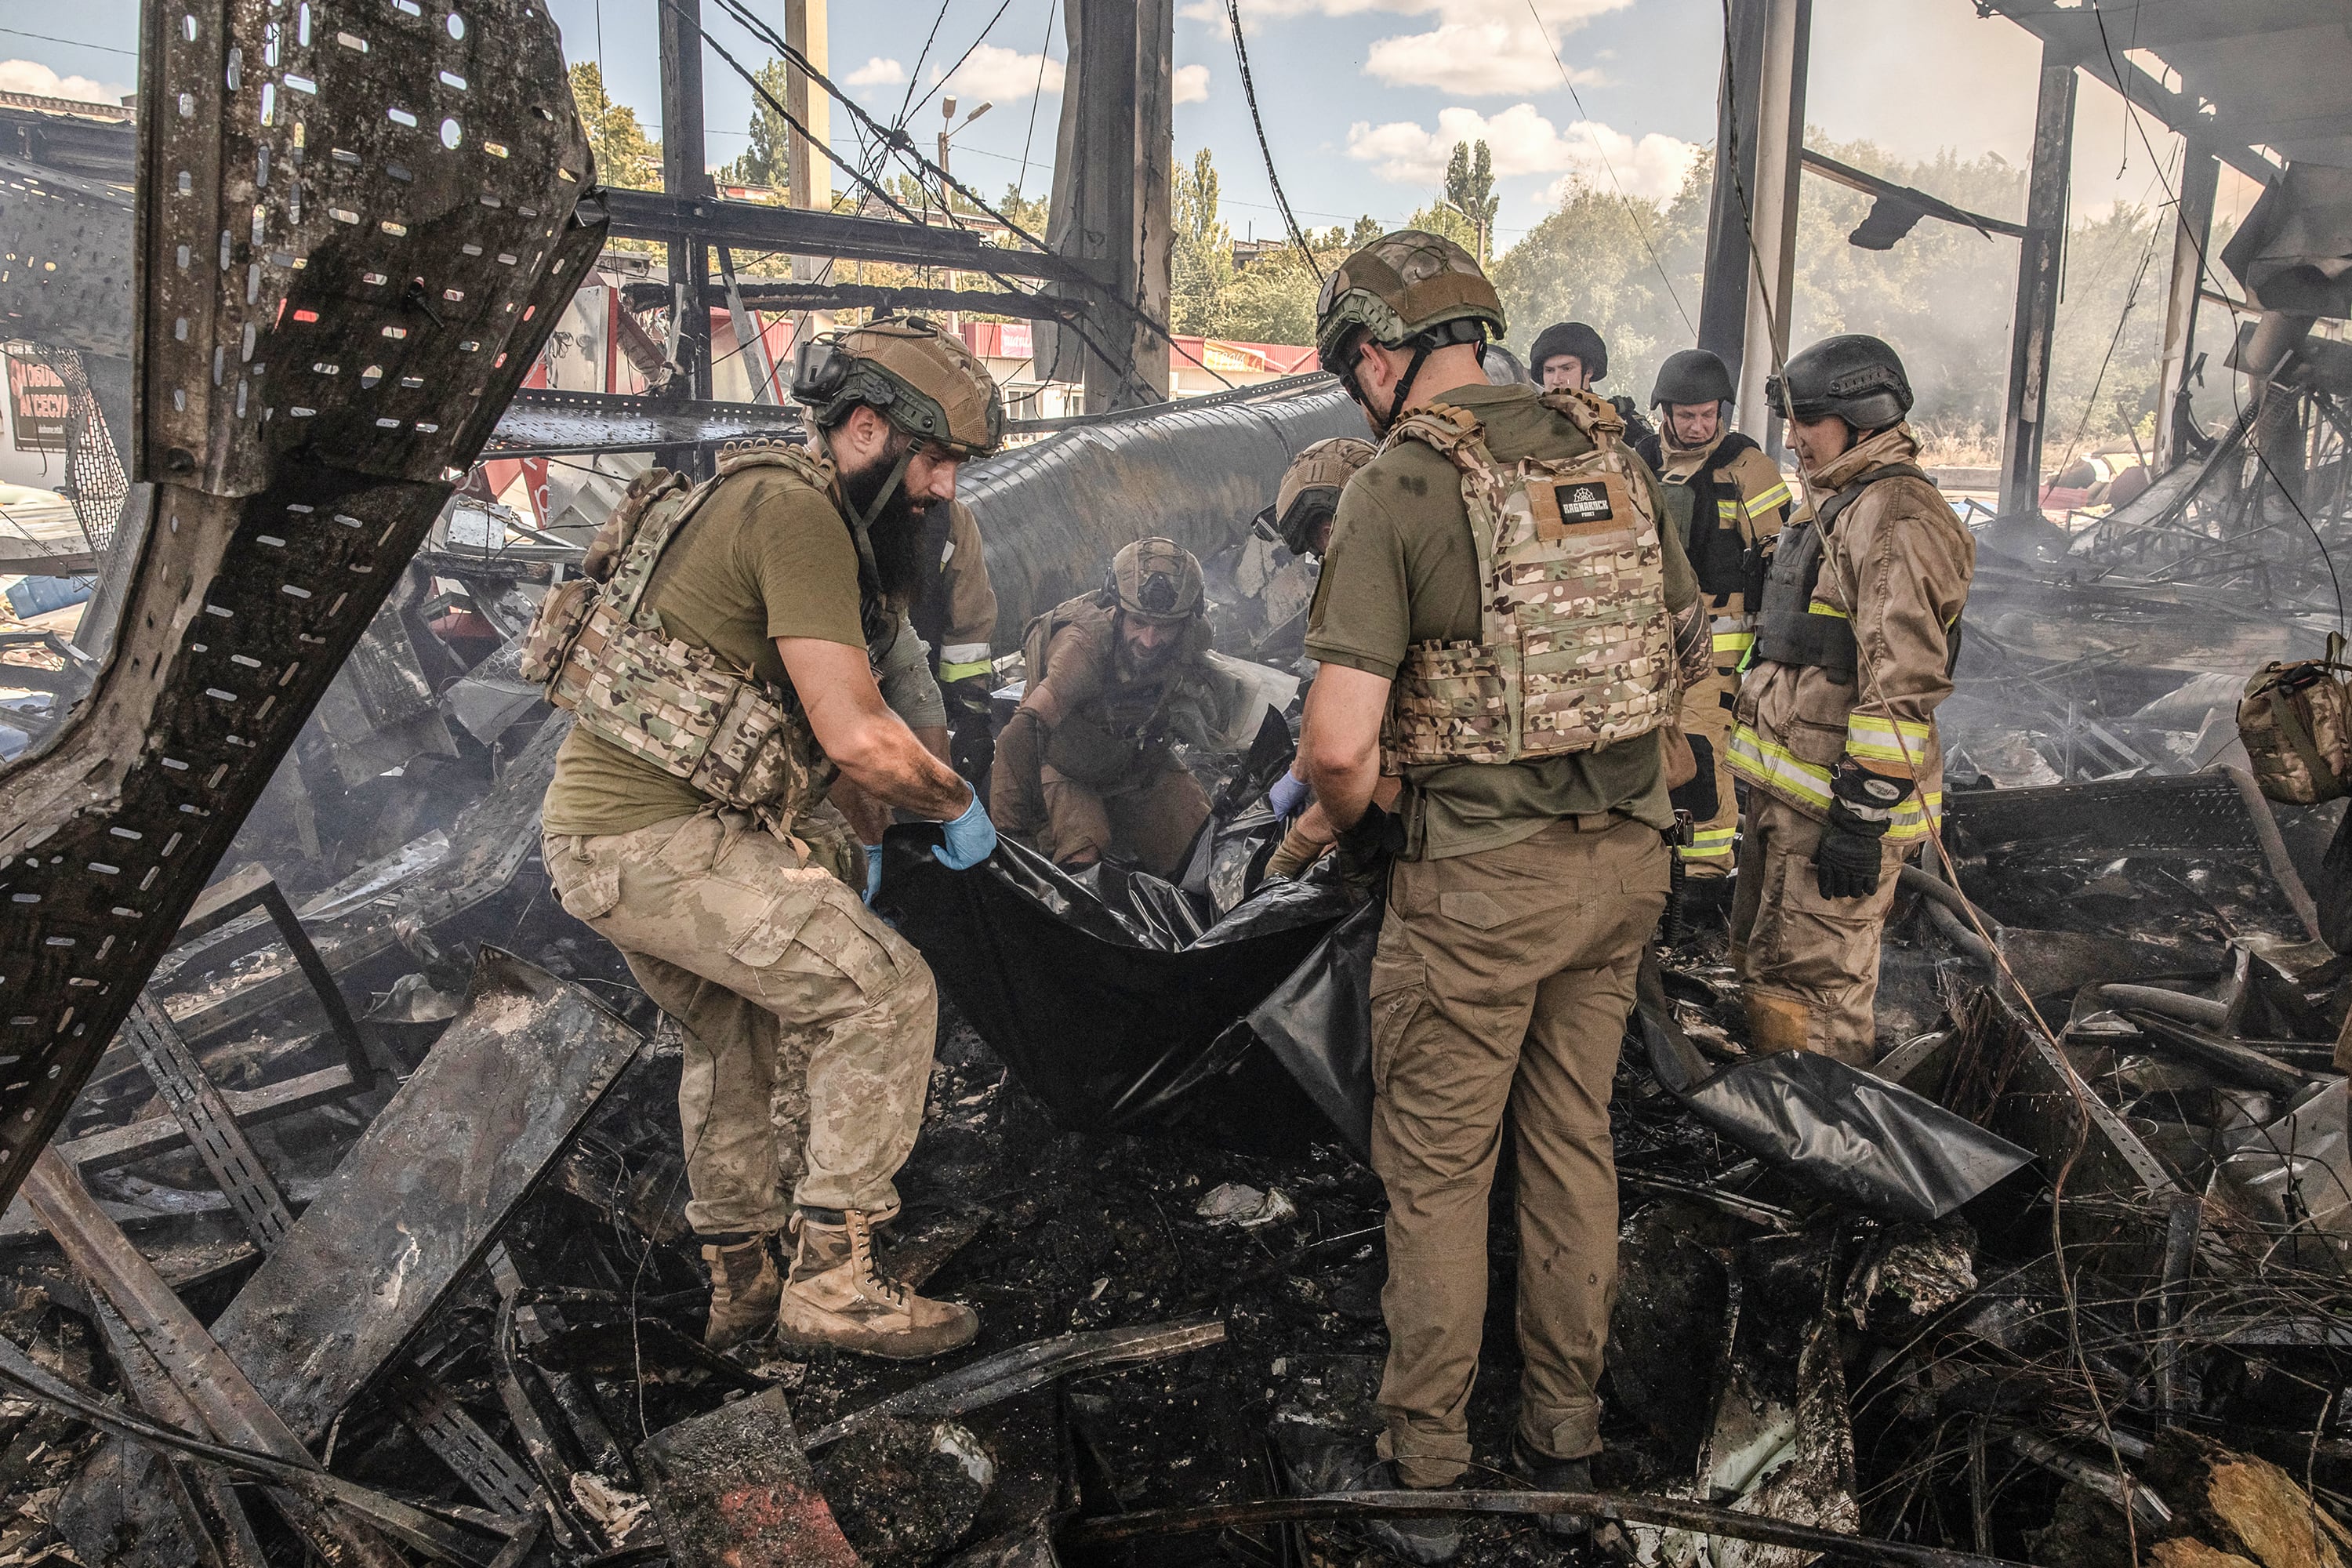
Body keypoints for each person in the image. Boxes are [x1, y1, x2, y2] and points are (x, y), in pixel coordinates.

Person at [1301, 230, 1711, 1561]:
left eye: (1352, 367)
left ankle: (1423, 1452)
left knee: (1434, 1171)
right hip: (1623, 869)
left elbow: (1341, 749)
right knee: (1570, 1142)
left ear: (1376, 353)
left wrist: (1367, 841)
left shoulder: (1400, 485)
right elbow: (1690, 659)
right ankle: (1564, 1428)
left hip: (1478, 888)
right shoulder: (1618, 460)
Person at [532, 316, 1004, 1359]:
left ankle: (743, 1287)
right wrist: (955, 807)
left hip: (608, 841)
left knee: (736, 1039)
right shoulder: (796, 514)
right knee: (883, 992)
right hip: (656, 842)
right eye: (938, 459)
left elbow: (830, 742)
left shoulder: (770, 501)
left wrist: (867, 839)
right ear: (869, 428)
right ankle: (836, 1285)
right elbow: (859, 737)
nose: (947, 488)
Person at [1726, 334, 1973, 1065]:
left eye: (1808, 421)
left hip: (1837, 811)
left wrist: (1861, 821)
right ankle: (1780, 1131)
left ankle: (1827, 1153)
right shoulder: (1838, 503)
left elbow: (1901, 683)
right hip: (1792, 801)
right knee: (1769, 976)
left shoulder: (1897, 516)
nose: (1794, 440)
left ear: (1862, 417)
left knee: (1813, 1002)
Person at [1632, 348, 1793, 904]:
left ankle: (1702, 875)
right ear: (1665, 412)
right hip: (1645, 639)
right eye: (1687, 416)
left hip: (1719, 640)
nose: (1699, 426)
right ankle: (1653, 857)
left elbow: (1782, 558)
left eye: (1708, 414)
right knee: (1644, 747)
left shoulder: (1747, 468)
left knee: (1700, 748)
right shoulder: (1639, 459)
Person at [990, 537, 1218, 877]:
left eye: (1165, 626)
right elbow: (1020, 735)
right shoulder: (1083, 649)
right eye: (1138, 622)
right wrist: (1009, 846)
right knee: (1082, 862)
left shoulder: (1195, 637)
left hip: (1136, 760)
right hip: (1063, 764)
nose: (1149, 640)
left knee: (1206, 850)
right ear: (1119, 612)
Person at [1251, 437, 1376, 874]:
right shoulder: (1366, 578)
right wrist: (1300, 772)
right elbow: (1329, 681)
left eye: (1320, 539)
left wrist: (1307, 835)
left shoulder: (1377, 591)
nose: (1321, 555)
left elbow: (1360, 756)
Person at [909, 498, 1001, 791]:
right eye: (934, 459)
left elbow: (968, 633)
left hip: (916, 693)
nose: (947, 485)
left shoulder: (951, 522)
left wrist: (972, 717)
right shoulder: (825, 508)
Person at [1529, 318, 1657, 450]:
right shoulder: (1529, 420)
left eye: (1566, 369)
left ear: (1588, 371)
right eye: (1549, 370)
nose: (1556, 379)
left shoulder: (1618, 421)